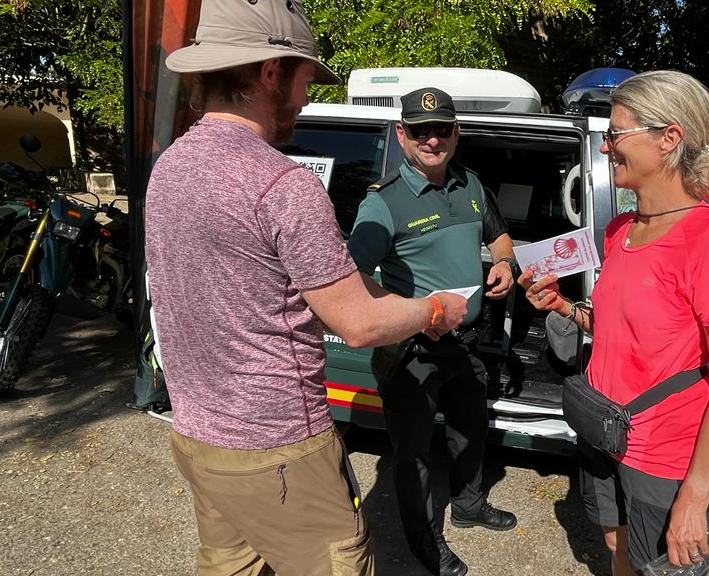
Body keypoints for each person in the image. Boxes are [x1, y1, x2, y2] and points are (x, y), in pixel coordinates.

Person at [145, 1, 467, 575]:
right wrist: (434, 308)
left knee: (230, 563)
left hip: (196, 433)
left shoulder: (171, 166)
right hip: (278, 448)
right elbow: (359, 324)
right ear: (270, 72)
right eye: (304, 78)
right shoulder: (282, 183)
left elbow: (259, 278)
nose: (306, 96)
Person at [519, 70, 709, 575]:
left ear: (670, 137)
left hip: (664, 455)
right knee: (615, 547)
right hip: (603, 430)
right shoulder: (620, 229)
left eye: (615, 135)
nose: (605, 148)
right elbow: (616, 332)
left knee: (661, 568)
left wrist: (694, 494)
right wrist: (561, 307)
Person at [347, 87, 519, 576]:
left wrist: (505, 261)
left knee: (470, 430)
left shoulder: (470, 184)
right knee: (415, 453)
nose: (432, 139)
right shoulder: (384, 203)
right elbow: (353, 279)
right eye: (420, 130)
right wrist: (421, 313)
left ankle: (467, 505)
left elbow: (498, 234)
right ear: (402, 135)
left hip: (466, 342)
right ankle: (425, 544)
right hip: (412, 352)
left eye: (441, 128)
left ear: (456, 132)